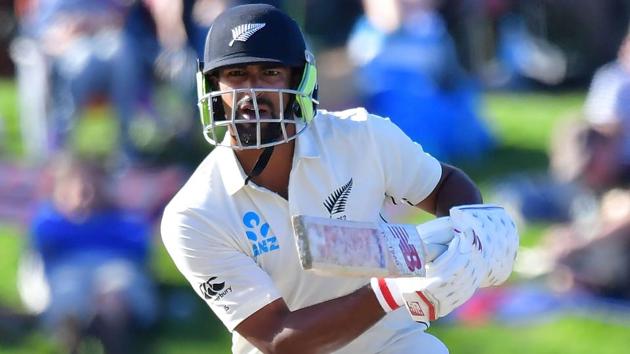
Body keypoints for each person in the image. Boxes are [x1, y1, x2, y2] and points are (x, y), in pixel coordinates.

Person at [161, 4, 518, 353]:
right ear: (212, 86)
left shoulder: (362, 137)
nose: (252, 94)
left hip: (392, 342)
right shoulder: (195, 214)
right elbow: (276, 338)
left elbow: (443, 185)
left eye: (270, 73)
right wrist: (392, 292)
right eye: (237, 75)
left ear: (299, 79)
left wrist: (471, 232)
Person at [29, 153, 157, 353]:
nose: (86, 194)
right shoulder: (51, 220)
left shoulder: (124, 219)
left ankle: (112, 332)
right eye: (78, 188)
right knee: (67, 291)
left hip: (115, 265)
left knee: (116, 290)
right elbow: (43, 251)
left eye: (92, 187)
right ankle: (71, 333)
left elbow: (139, 251)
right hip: (67, 267)